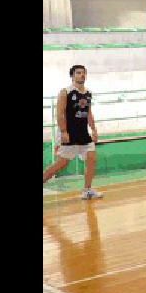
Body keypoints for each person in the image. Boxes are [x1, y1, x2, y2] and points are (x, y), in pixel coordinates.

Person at [43, 65, 103, 200]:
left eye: (83, 73)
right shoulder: (65, 92)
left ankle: (87, 190)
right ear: (72, 76)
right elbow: (59, 113)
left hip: (83, 134)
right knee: (61, 164)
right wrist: (64, 131)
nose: (81, 75)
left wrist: (93, 129)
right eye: (78, 73)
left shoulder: (88, 93)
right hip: (69, 133)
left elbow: (88, 113)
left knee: (91, 159)